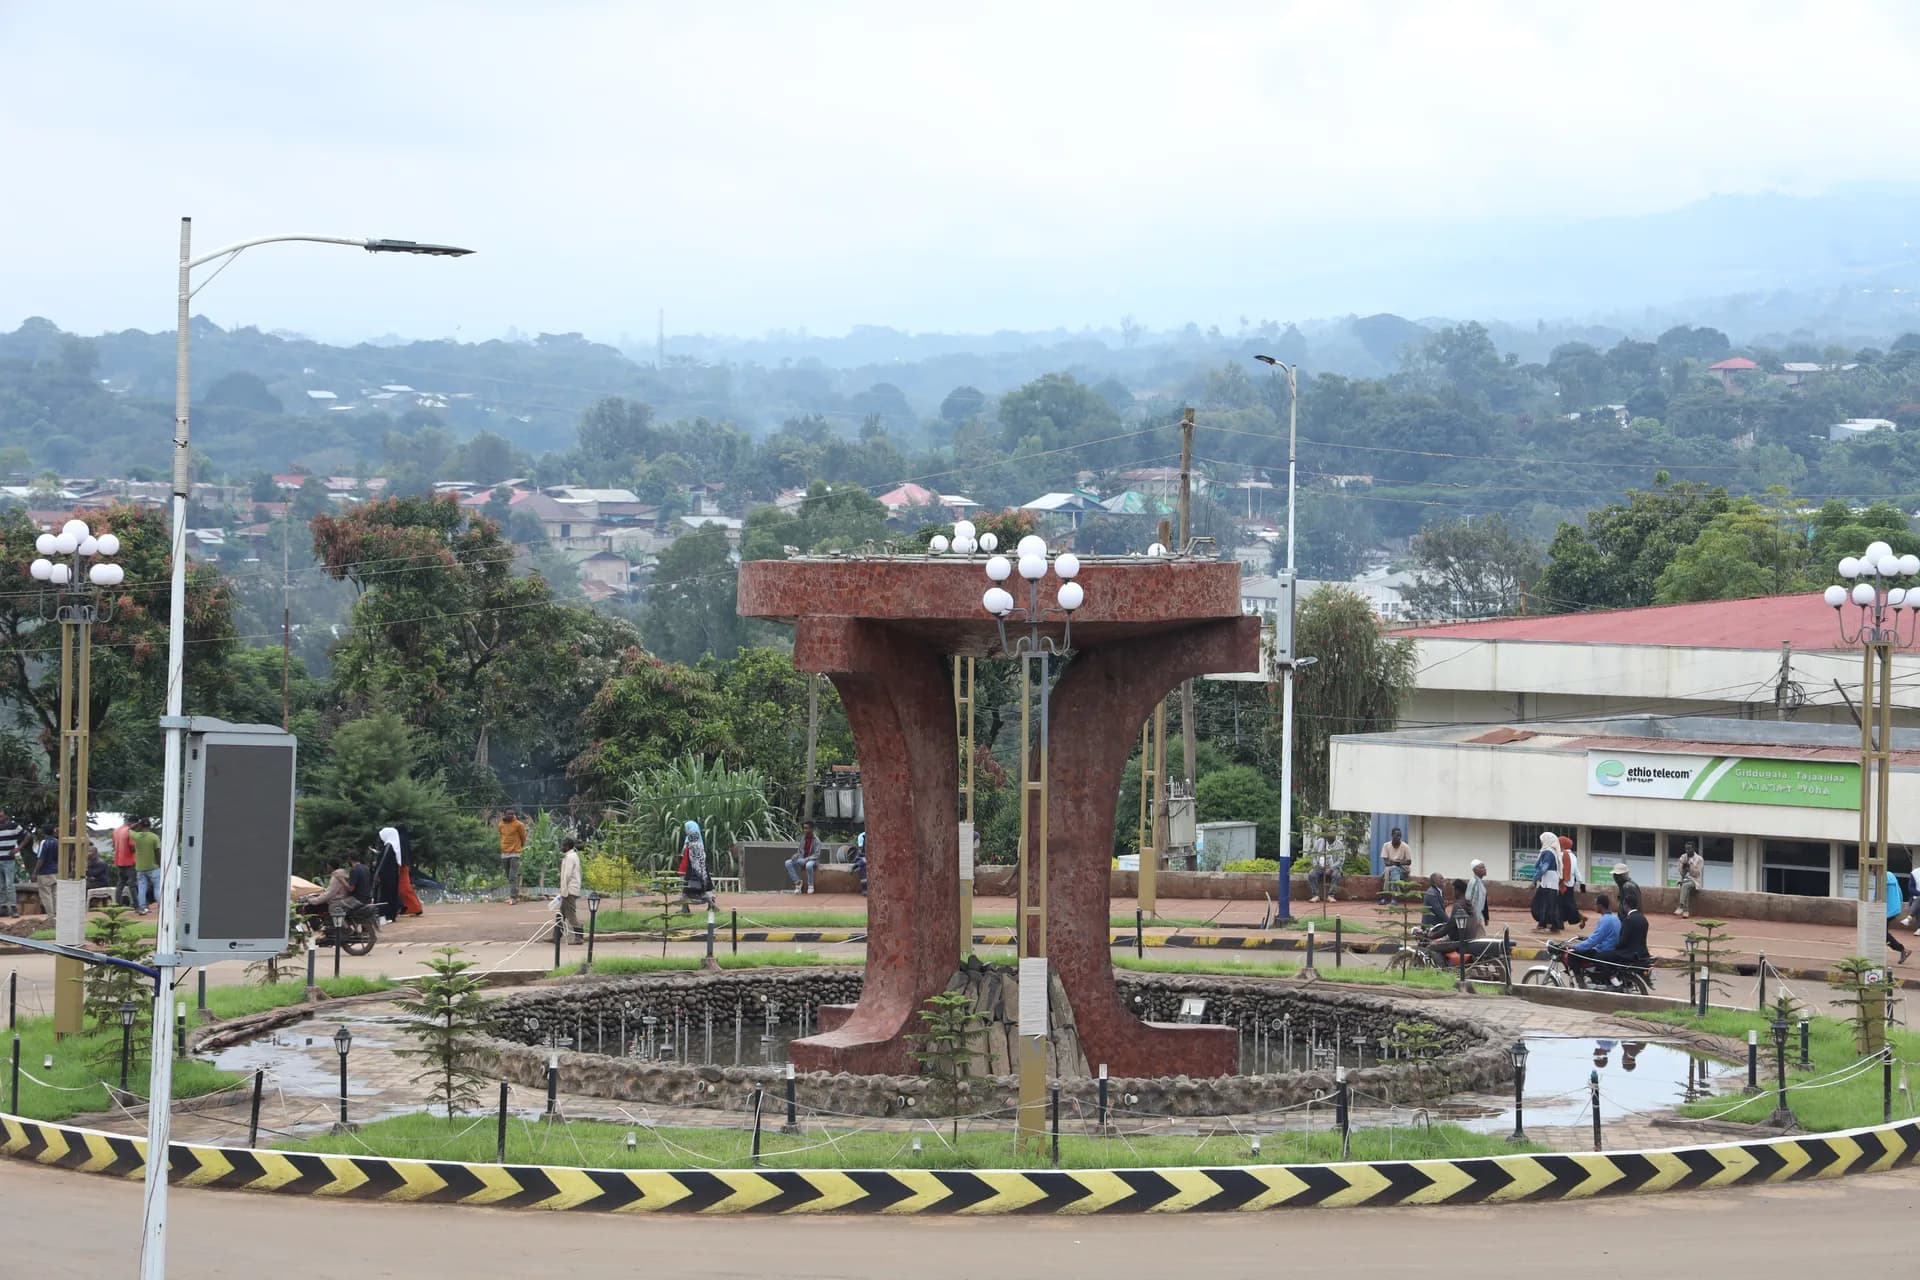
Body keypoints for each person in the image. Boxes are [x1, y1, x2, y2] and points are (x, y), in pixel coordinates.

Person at [380, 824, 425, 918]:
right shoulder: (403, 840)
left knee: (404, 887)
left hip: (402, 865)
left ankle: (415, 908)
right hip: (404, 864)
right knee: (403, 887)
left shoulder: (400, 840)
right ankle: (411, 907)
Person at [677, 820, 715, 912]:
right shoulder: (700, 844)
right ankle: (712, 905)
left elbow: (687, 859)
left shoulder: (690, 845)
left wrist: (683, 871)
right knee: (704, 890)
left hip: (689, 872)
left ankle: (685, 909)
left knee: (685, 891)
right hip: (701, 873)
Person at [130, 818, 161, 915]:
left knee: (142, 889)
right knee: (157, 887)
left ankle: (142, 908)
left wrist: (137, 824)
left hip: (140, 868)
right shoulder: (154, 837)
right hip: (153, 867)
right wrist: (159, 864)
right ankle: (161, 907)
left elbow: (129, 829)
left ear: (141, 826)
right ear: (150, 826)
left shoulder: (136, 836)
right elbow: (157, 852)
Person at [497, 809, 528, 904]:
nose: (510, 815)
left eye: (512, 814)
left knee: (512, 876)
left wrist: (519, 847)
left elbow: (523, 837)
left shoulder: (519, 825)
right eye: (508, 814)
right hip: (504, 853)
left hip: (515, 852)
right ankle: (515, 894)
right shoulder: (501, 825)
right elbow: (501, 836)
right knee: (508, 875)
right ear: (504, 814)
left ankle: (513, 897)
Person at [557, 836, 583, 943]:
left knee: (570, 914)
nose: (562, 847)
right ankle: (556, 936)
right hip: (571, 889)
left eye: (563, 845)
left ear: (567, 846)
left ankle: (579, 936)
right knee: (560, 914)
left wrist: (563, 891)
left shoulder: (570, 857)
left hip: (569, 890)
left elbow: (567, 875)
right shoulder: (572, 856)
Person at [786, 821, 820, 895]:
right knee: (788, 863)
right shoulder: (803, 838)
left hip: (812, 860)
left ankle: (810, 885)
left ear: (812, 829)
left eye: (807, 828)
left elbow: (817, 855)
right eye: (804, 828)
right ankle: (798, 882)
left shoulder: (816, 840)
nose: (805, 830)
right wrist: (796, 855)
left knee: (808, 865)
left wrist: (807, 859)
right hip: (802, 859)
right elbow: (800, 851)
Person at [1558, 835, 1585, 928]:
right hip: (1570, 883)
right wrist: (1582, 883)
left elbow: (1560, 869)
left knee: (1560, 904)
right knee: (1569, 903)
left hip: (1562, 883)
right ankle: (1578, 917)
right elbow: (1577, 870)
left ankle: (1561, 923)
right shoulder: (1573, 856)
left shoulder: (1561, 854)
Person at [34, 828, 59, 925]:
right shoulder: (57, 842)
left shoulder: (44, 842)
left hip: (45, 872)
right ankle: (57, 915)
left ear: (44, 833)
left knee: (46, 895)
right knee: (55, 894)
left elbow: (41, 858)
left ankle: (50, 916)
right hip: (56, 871)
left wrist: (35, 872)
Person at [1674, 841, 1704, 918]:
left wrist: (1690, 867)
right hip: (1685, 879)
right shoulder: (1683, 857)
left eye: (1689, 849)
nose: (1687, 851)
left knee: (1685, 886)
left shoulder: (1699, 859)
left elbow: (1697, 874)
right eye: (1686, 849)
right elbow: (1682, 873)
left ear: (1693, 849)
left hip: (1695, 881)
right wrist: (1683, 867)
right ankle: (1686, 911)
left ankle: (1681, 906)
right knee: (1684, 885)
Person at [0, 810, 21, 918]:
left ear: (5, 816)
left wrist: (18, 848)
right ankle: (3, 908)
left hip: (9, 860)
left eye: (1, 816)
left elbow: (28, 835)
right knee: (1, 885)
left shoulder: (14, 826)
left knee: (9, 885)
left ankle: (13, 908)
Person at [111, 818, 137, 908]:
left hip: (119, 860)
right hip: (130, 861)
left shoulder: (116, 831)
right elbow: (132, 847)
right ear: (133, 823)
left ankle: (118, 903)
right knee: (132, 884)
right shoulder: (130, 831)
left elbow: (114, 844)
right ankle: (136, 904)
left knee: (120, 883)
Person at [1887, 869, 1911, 964]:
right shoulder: (1891, 877)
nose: (1872, 871)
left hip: (1888, 910)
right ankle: (1902, 950)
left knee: (1881, 933)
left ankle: (1902, 949)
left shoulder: (1883, 879)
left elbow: (1879, 896)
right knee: (1881, 933)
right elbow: (1899, 892)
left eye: (1873, 868)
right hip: (1894, 908)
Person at [1466, 859, 1490, 925]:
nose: (1485, 869)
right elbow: (1468, 900)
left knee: (1480, 934)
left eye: (1484, 867)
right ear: (1475, 870)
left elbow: (1484, 901)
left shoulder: (1480, 883)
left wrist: (1486, 917)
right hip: (1474, 917)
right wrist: (1471, 918)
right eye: (1482, 868)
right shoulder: (1473, 882)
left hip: (1479, 916)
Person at [850, 830, 868, 895]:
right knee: (863, 865)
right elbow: (861, 852)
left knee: (863, 862)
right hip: (864, 858)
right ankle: (864, 889)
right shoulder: (862, 836)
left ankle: (857, 864)